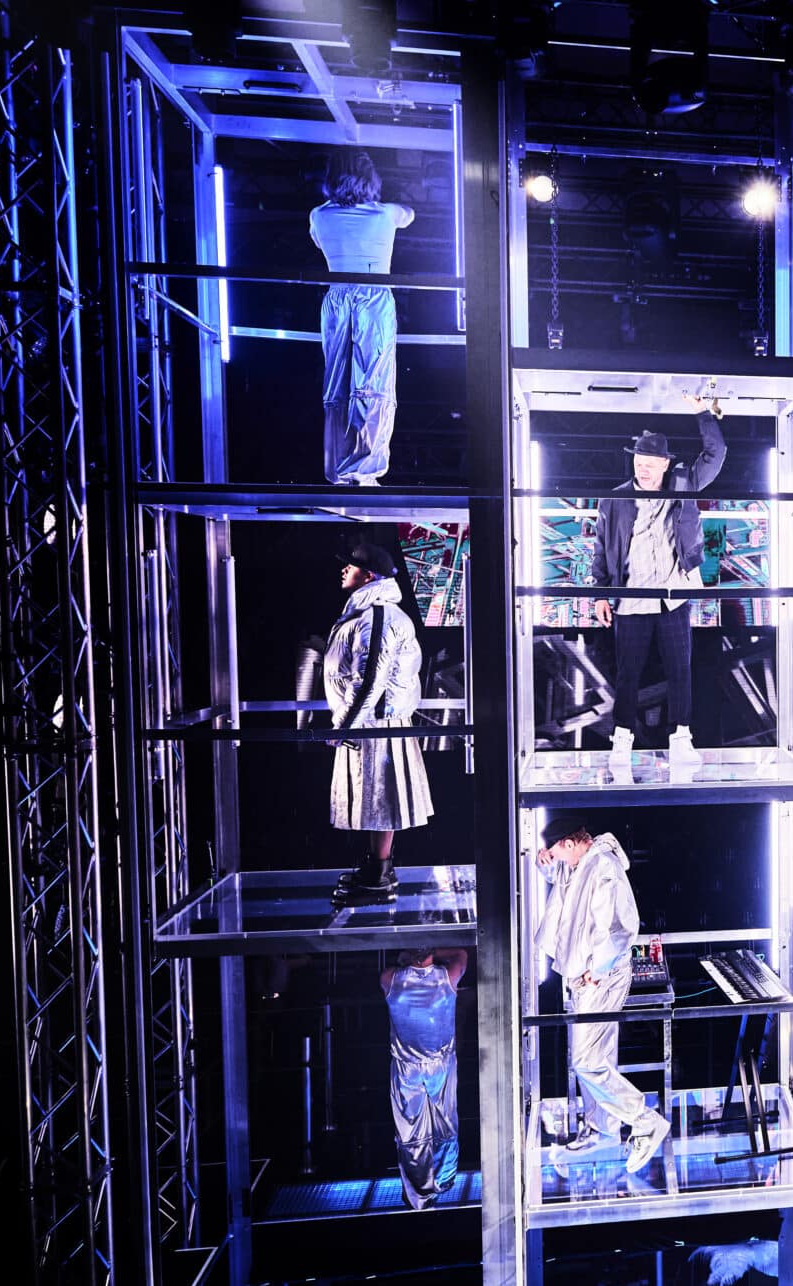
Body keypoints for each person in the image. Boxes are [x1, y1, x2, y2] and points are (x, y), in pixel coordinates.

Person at [592, 394, 728, 771]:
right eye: (639, 464)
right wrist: (600, 594)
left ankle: (681, 738)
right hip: (631, 598)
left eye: (651, 465)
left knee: (680, 670)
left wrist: (702, 413)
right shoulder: (614, 500)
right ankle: (622, 740)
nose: (644, 471)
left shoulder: (683, 482)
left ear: (665, 464)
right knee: (627, 674)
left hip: (673, 595)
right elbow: (601, 547)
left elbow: (716, 454)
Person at [532, 815, 672, 1174]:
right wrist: (547, 867)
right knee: (599, 1056)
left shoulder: (603, 866)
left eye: (557, 852)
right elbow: (569, 895)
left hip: (601, 978)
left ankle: (644, 1121)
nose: (557, 859)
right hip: (588, 977)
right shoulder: (582, 864)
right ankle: (602, 1128)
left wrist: (595, 971)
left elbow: (620, 928)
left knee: (587, 1061)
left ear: (569, 843)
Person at [326, 542, 433, 906]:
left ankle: (378, 877)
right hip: (374, 722)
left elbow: (369, 679)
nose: (344, 570)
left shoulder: (378, 617)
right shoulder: (370, 613)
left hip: (376, 723)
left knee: (381, 800)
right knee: (377, 801)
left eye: (351, 566)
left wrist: (345, 728)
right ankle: (377, 871)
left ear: (369, 576)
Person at [310, 150, 415, 486]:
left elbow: (317, 241)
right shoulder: (385, 213)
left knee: (337, 384)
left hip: (337, 299)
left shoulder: (319, 215)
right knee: (375, 382)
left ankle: (339, 468)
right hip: (373, 297)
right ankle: (365, 470)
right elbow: (409, 215)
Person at [380, 947, 467, 1209]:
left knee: (411, 1128)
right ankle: (437, 1180)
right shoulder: (448, 975)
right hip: (439, 1063)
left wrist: (412, 956)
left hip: (408, 1067)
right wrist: (433, 951)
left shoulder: (390, 978)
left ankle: (425, 1185)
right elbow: (461, 954)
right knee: (444, 1122)